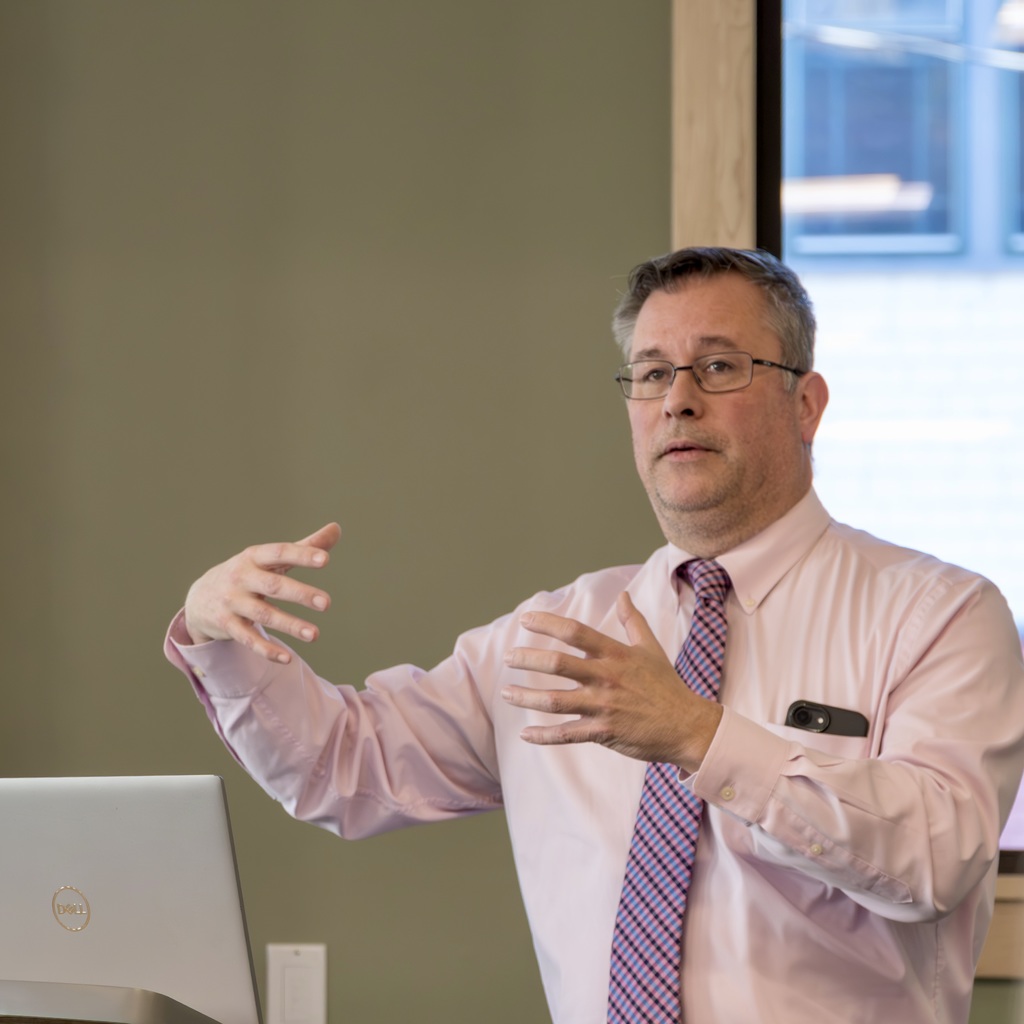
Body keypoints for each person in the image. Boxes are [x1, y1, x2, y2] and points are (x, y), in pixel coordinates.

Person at [165, 247, 1024, 1024]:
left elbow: (934, 859)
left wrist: (697, 735)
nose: (678, 398)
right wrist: (221, 635)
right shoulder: (562, 632)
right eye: (650, 374)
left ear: (807, 402)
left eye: (718, 367)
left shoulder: (939, 613)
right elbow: (344, 767)